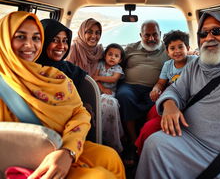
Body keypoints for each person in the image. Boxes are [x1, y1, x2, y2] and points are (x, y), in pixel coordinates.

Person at [0, 11, 126, 179]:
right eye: (21, 37)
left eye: (36, 38)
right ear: (5, 40)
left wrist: (68, 151)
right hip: (17, 159)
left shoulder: (55, 76)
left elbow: (79, 112)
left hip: (62, 144)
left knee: (112, 158)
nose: (30, 45)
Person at [135, 11, 220, 179]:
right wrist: (169, 104)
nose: (208, 38)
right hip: (189, 138)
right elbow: (175, 89)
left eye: (217, 31)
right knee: (154, 143)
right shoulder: (197, 66)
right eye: (203, 33)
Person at [135, 30, 197, 154]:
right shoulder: (168, 65)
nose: (177, 51)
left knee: (149, 127)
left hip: (185, 101)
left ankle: (141, 147)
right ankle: (144, 139)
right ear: (168, 52)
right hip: (169, 98)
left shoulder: (194, 61)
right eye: (172, 48)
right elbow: (161, 83)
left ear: (188, 48)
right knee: (152, 112)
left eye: (181, 47)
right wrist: (156, 89)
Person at [116, 20, 169, 165]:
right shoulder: (130, 48)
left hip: (154, 88)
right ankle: (133, 143)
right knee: (123, 96)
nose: (151, 39)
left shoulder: (167, 49)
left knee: (158, 102)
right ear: (141, 35)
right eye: (147, 35)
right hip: (130, 86)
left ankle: (145, 143)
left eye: (155, 35)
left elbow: (181, 56)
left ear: (160, 34)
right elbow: (114, 60)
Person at [92, 43, 125, 153]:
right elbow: (94, 79)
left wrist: (98, 78)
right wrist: (101, 88)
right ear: (105, 55)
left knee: (110, 103)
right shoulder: (99, 64)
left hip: (111, 93)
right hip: (98, 90)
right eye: (110, 54)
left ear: (120, 60)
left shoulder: (118, 68)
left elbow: (113, 79)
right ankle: (99, 136)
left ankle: (113, 137)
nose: (112, 57)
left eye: (116, 56)